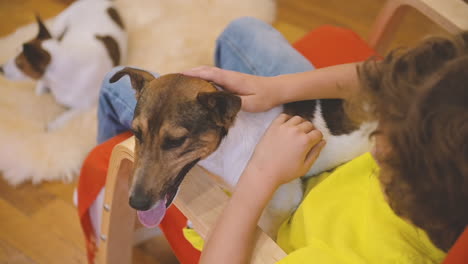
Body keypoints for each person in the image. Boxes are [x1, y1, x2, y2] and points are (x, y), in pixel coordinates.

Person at [97, 17, 468, 263]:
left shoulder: (364, 254)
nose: (375, 117)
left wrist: (261, 173)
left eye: (386, 124)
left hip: (279, 180)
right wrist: (275, 88)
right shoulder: (439, 155)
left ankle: (99, 201)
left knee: (112, 85)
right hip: (297, 136)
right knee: (241, 31)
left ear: (395, 161)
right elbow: (385, 75)